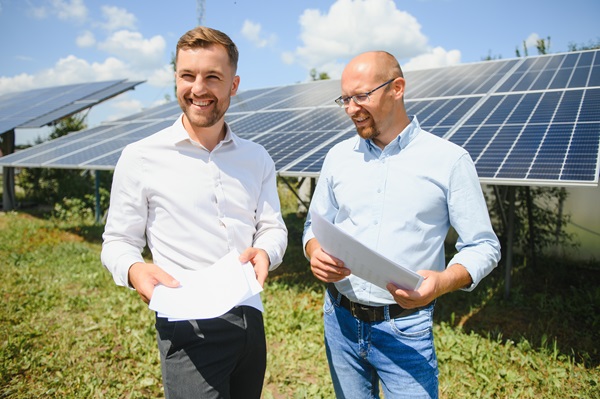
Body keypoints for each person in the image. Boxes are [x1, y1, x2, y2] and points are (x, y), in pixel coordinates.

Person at [101, 26, 287, 399]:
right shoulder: (140, 158)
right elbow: (117, 242)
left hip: (250, 320)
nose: (198, 88)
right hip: (187, 326)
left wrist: (266, 251)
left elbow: (272, 227)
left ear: (233, 85)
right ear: (175, 79)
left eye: (212, 77)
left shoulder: (257, 158)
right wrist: (135, 269)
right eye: (188, 75)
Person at [302, 51, 501, 399]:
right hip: (339, 320)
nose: (351, 108)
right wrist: (314, 250)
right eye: (345, 99)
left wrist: (441, 282)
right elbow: (313, 226)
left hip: (404, 329)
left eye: (361, 96)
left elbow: (484, 246)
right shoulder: (338, 158)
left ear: (397, 88)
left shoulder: (449, 161)